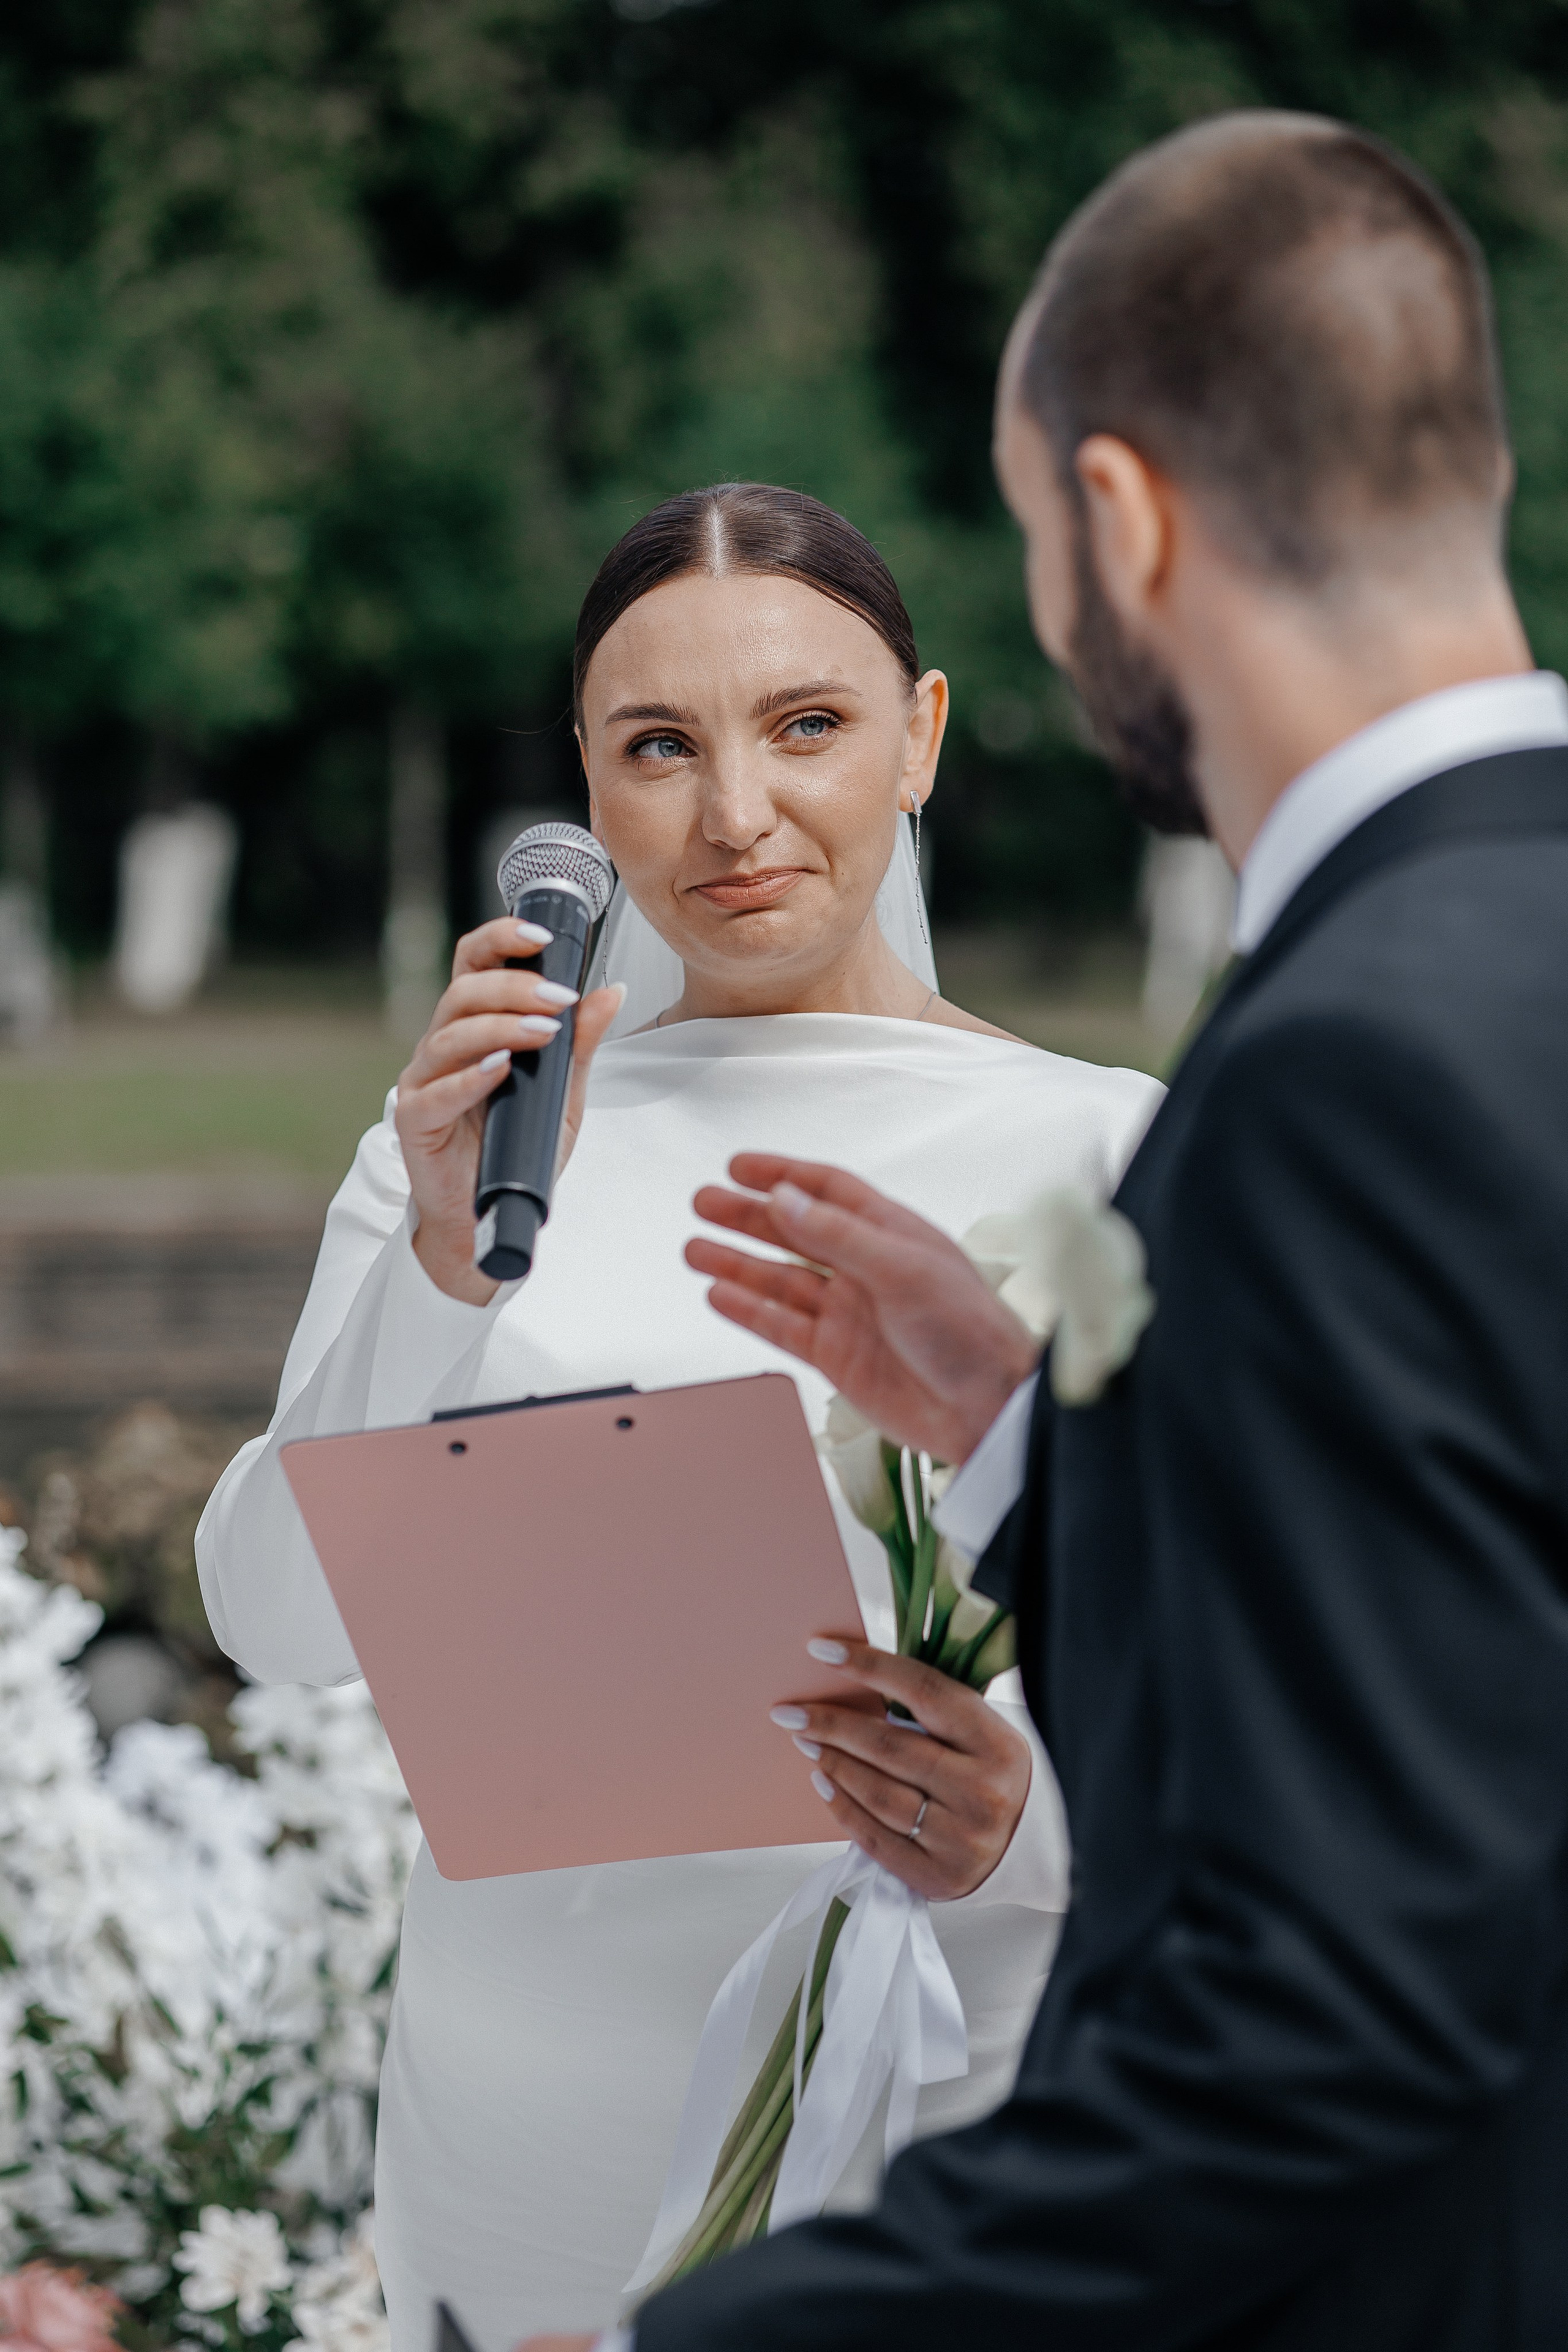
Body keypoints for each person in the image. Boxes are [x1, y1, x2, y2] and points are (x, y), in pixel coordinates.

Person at [533, 112, 1568, 2352]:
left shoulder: (1347, 1059)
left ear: (1118, 514)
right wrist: (1029, 1438)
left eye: (1025, 532)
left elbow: (1340, 2024)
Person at [194, 483, 1159, 2348]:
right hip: (524, 2135)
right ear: (583, 779)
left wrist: (1029, 1817)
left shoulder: (1111, 1152)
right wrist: (438, 1270)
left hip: (948, 2104)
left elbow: (1279, 1691)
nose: (734, 817)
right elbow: (272, 1624)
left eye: (808, 727)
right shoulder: (475, 1137)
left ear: (923, 739)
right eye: (659, 747)